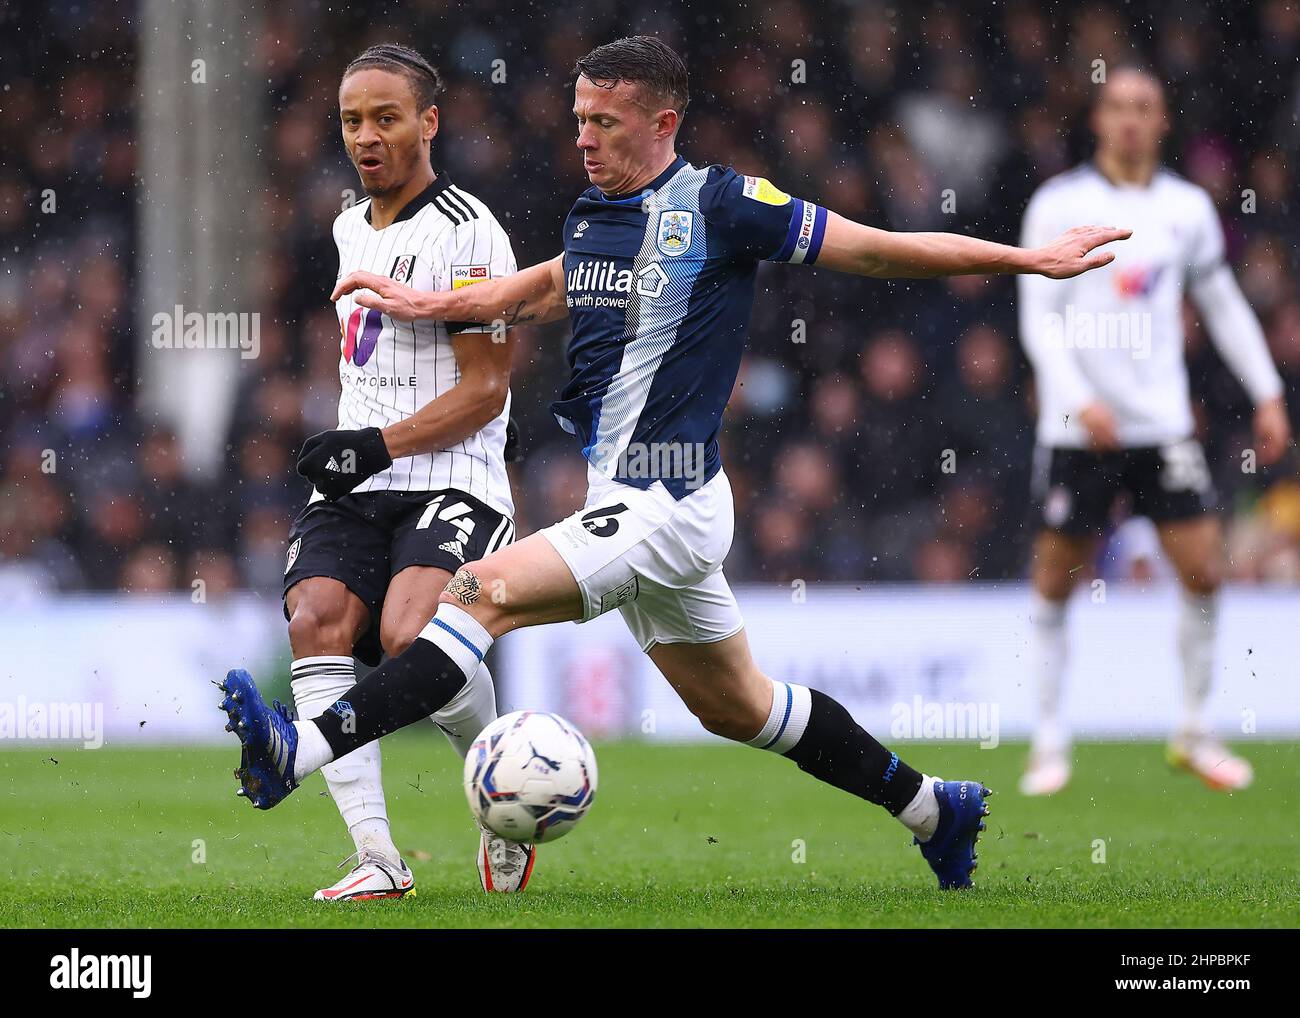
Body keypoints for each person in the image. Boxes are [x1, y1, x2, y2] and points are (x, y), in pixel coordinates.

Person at [223, 36, 1126, 890]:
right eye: (578, 118)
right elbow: (540, 287)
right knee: (742, 709)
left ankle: (297, 751)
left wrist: (1026, 259)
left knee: (472, 596)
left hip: (666, 495)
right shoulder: (596, 213)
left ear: (663, 124)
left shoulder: (724, 204)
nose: (582, 137)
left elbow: (877, 247)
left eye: (604, 122)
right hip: (641, 497)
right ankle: (936, 810)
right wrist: (427, 301)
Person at [280, 43, 533, 899]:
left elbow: (486, 391)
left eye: (386, 117)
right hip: (360, 479)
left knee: (406, 637)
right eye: (353, 120)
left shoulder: (470, 233)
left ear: (430, 121)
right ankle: (378, 860)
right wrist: (348, 439)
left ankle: (508, 797)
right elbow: (370, 358)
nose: (367, 136)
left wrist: (378, 443)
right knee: (315, 617)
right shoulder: (350, 224)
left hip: (452, 473)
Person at [1016, 67, 1291, 796]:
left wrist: (1267, 392)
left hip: (1162, 425)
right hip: (1079, 430)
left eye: (1144, 107)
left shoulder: (1186, 209)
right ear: (1099, 118)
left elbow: (1224, 303)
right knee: (1054, 581)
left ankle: (1195, 731)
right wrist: (1075, 400)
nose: (1130, 119)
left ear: (1162, 121)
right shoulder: (1058, 203)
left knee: (1204, 571)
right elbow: (1038, 319)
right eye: (1118, 106)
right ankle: (1048, 742)